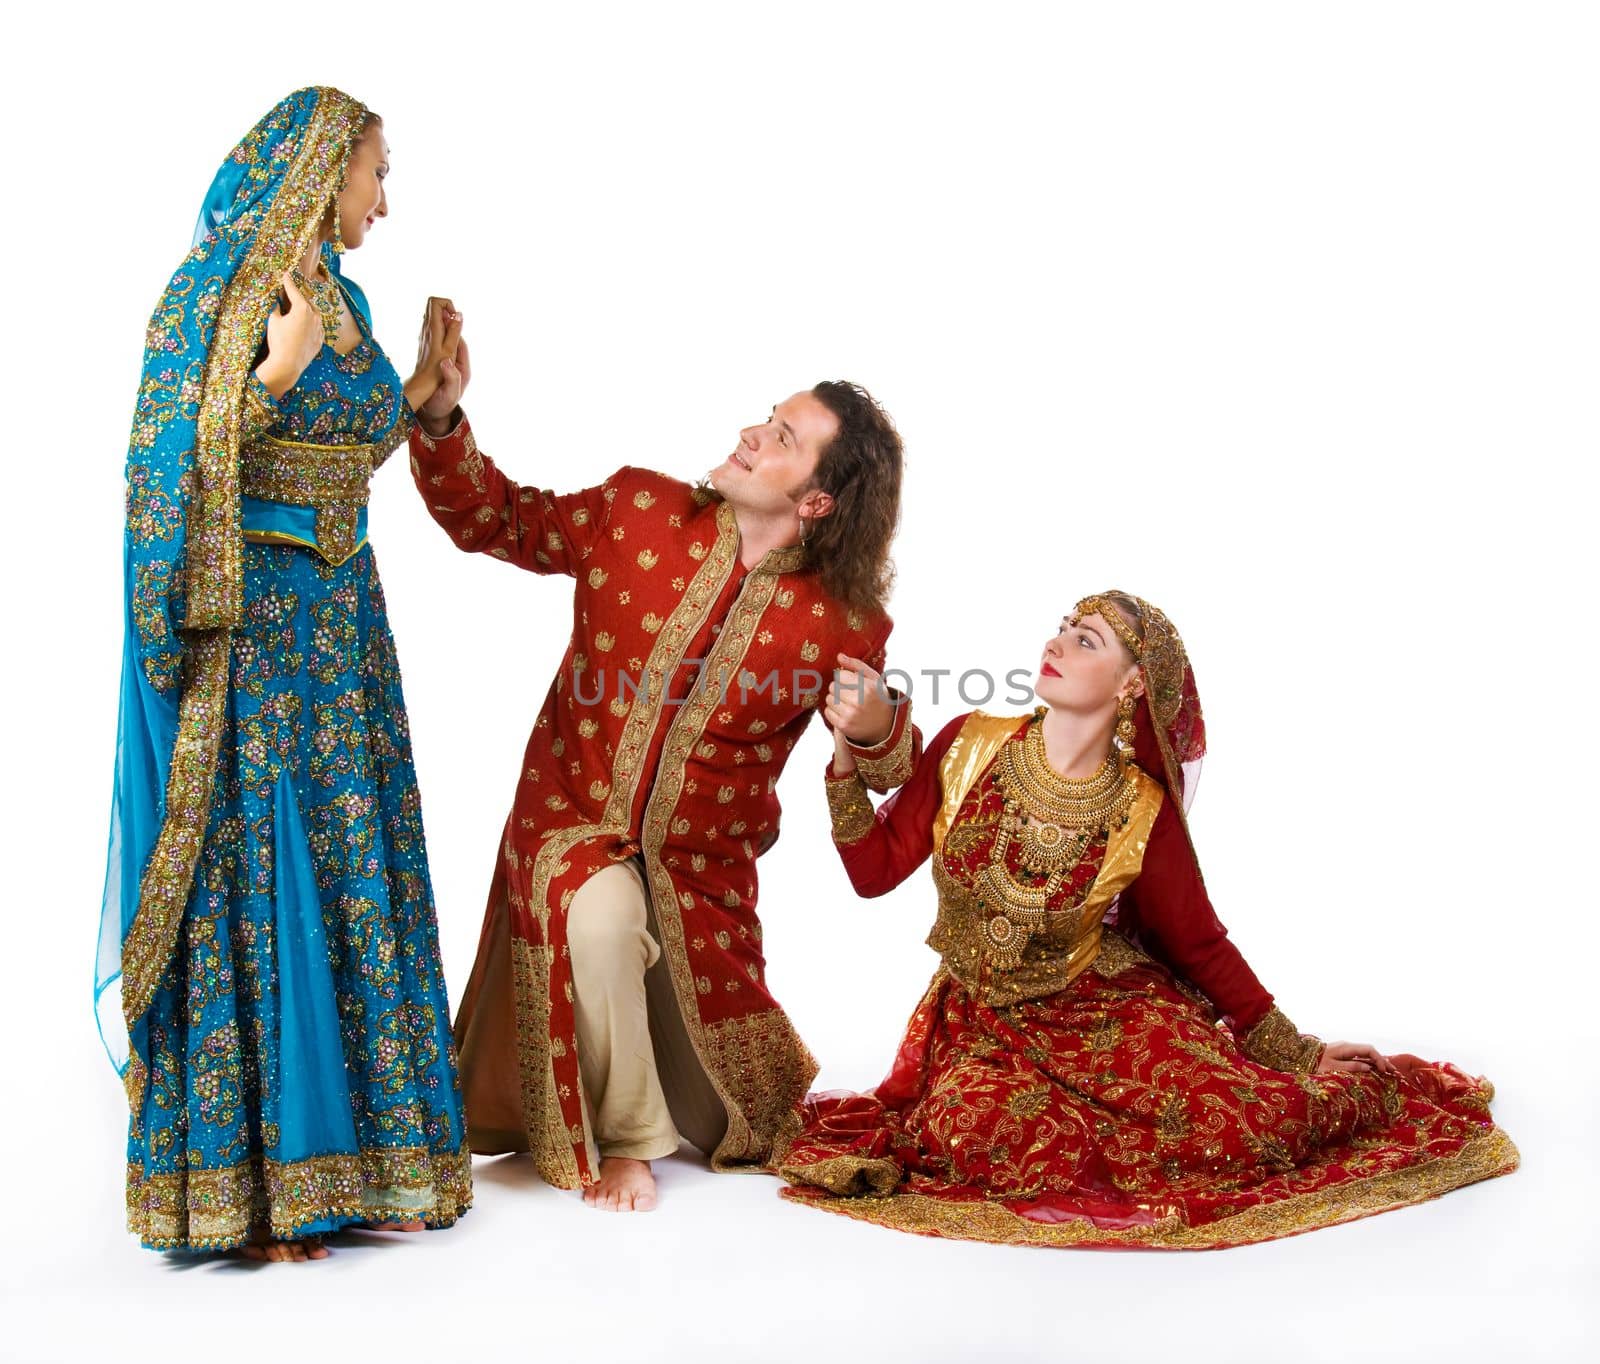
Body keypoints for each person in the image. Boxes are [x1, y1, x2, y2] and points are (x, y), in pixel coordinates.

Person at [777, 591, 1518, 1248]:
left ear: (1133, 682)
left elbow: (1197, 941)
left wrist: (1294, 1049)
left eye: (1086, 639)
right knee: (981, 1132)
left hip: (1102, 1013)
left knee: (1237, 1126)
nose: (1056, 643)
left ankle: (1330, 1094)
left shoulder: (1140, 811)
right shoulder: (971, 743)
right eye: (1062, 626)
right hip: (985, 1025)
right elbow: (873, 873)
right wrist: (843, 756)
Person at [100, 87, 473, 1260]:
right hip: (252, 637)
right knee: (265, 862)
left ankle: (361, 1161)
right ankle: (260, 1186)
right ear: (321, 168)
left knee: (352, 857)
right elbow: (160, 469)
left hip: (343, 631)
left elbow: (338, 448)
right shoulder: (213, 290)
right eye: (375, 169)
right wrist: (267, 377)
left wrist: (419, 403)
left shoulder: (346, 298)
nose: (384, 195)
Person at [408, 364, 917, 1211]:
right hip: (571, 826)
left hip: (702, 890)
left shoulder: (847, 622)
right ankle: (631, 1141)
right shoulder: (635, 511)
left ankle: (673, 1095)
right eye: (766, 420)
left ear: (820, 501)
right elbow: (494, 516)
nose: (753, 435)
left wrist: (874, 726)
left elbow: (890, 770)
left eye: (783, 439)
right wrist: (440, 417)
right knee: (600, 916)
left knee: (738, 1127)